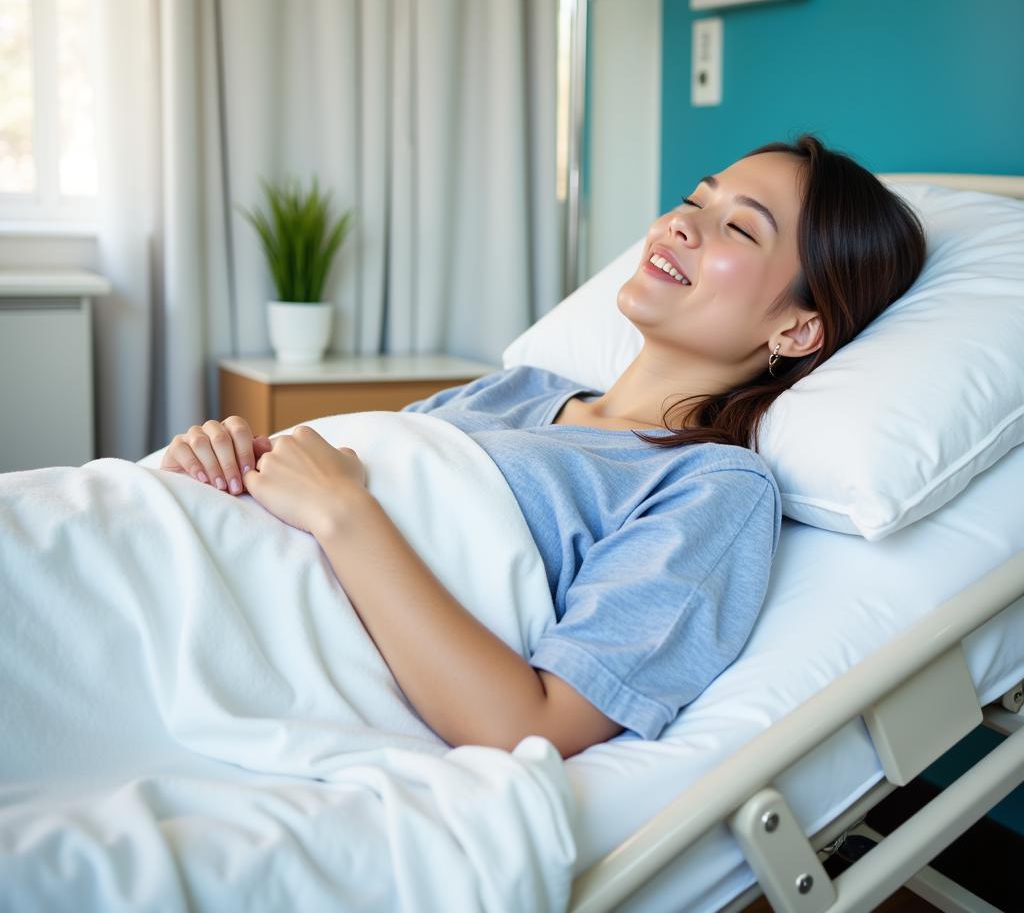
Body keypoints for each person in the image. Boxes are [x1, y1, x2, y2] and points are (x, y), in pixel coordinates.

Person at [159, 134, 926, 759]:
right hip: (173, 539)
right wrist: (225, 457)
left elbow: (532, 726)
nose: (680, 224)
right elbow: (325, 473)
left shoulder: (712, 485)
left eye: (738, 227)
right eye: (695, 200)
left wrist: (344, 516)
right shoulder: (512, 389)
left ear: (796, 328)